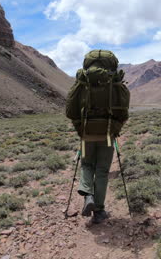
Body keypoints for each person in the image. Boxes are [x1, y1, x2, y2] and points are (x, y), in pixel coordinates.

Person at [65, 50, 130, 224]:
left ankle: (88, 195)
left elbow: (70, 111)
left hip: (87, 134)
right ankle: (99, 212)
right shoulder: (115, 83)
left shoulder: (82, 83)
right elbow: (123, 113)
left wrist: (81, 129)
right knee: (102, 171)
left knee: (87, 165)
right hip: (108, 134)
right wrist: (115, 128)